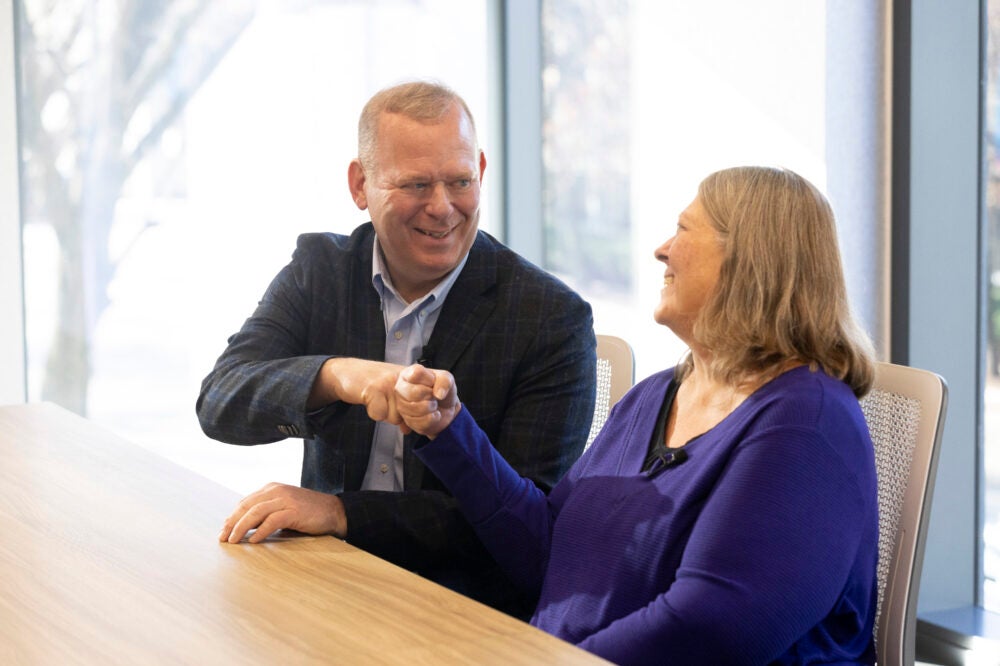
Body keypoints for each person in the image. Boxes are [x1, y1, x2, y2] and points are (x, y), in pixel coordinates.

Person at [393, 166, 880, 664]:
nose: (662, 249)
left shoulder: (808, 424)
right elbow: (548, 553)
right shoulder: (654, 396)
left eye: (684, 230)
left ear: (749, 260)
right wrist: (450, 429)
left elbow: (712, 629)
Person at [196, 80, 596, 617]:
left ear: (480, 169)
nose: (443, 207)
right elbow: (219, 403)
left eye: (460, 181)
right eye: (415, 185)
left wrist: (342, 513)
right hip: (326, 584)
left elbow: (528, 529)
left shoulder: (550, 318)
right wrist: (337, 377)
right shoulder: (320, 270)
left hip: (465, 606)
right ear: (360, 185)